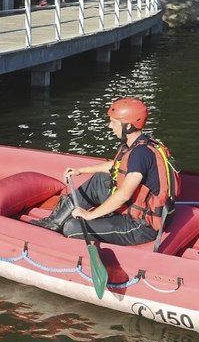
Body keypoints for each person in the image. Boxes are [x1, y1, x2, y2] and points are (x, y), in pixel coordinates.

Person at [32, 98, 180, 246]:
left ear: (128, 126)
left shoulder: (140, 154)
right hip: (132, 210)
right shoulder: (140, 143)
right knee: (100, 180)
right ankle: (54, 222)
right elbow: (115, 166)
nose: (110, 126)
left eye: (114, 123)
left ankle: (64, 226)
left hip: (140, 226)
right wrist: (80, 170)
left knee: (72, 227)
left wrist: (90, 215)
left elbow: (124, 194)